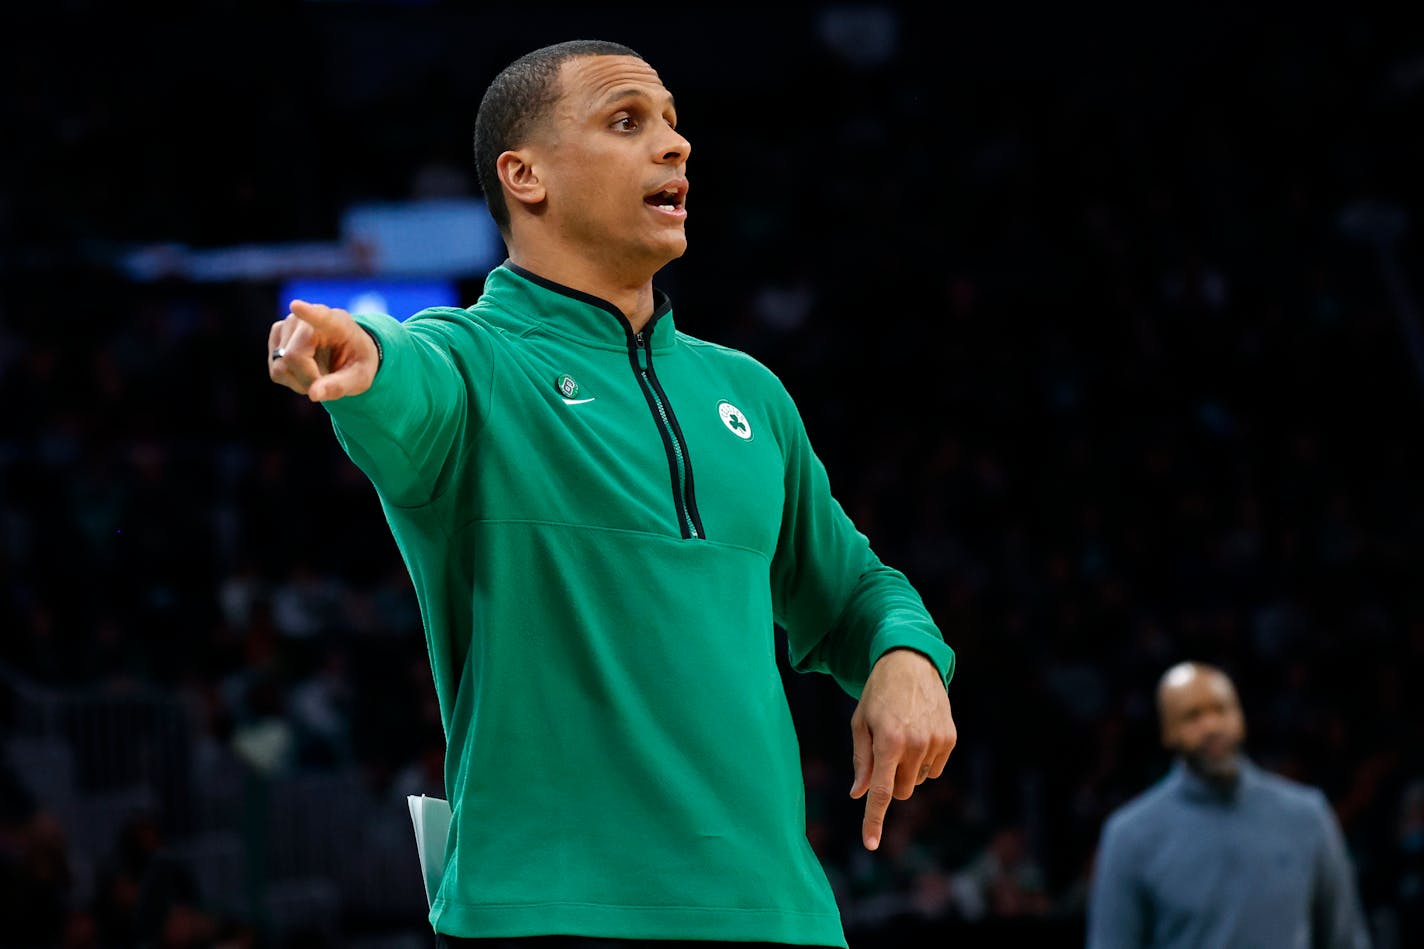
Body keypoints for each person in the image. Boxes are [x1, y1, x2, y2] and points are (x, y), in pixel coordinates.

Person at [266, 39, 957, 949]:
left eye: (672, 123)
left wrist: (904, 655)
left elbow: (855, 589)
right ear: (526, 176)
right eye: (627, 122)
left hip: (777, 914)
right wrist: (369, 357)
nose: (675, 146)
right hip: (549, 912)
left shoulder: (749, 392)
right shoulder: (470, 360)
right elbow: (408, 387)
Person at [1087, 661, 1371, 949]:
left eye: (1221, 710)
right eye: (1192, 716)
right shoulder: (1130, 835)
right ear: (1167, 732)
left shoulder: (1307, 816)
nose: (1211, 727)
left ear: (1240, 716)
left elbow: (1346, 939)